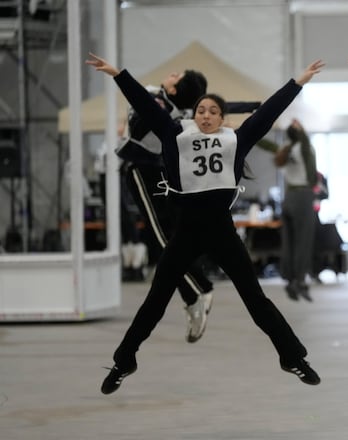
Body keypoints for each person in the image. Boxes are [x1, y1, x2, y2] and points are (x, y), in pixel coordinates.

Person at [87, 53, 324, 394]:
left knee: (256, 300)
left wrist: (298, 82)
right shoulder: (174, 135)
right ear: (194, 115)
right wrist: (117, 74)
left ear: (222, 118)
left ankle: (293, 358)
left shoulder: (236, 139)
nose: (207, 115)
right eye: (202, 111)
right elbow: (144, 102)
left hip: (221, 232)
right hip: (185, 232)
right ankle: (124, 361)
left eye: (214, 111)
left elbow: (269, 111)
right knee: (155, 301)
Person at [117, 68, 263, 343]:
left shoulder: (160, 102)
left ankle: (198, 288)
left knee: (162, 239)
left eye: (176, 76)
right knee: (170, 239)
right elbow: (223, 106)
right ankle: (193, 292)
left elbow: (142, 111)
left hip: (145, 170)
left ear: (173, 91)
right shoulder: (181, 111)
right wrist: (253, 106)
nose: (172, 73)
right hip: (162, 174)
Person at [274, 119, 318, 302]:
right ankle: (300, 280)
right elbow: (307, 144)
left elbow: (267, 144)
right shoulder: (303, 148)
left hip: (288, 198)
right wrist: (303, 128)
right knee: (303, 241)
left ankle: (289, 278)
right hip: (303, 197)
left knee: (289, 241)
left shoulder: (285, 149)